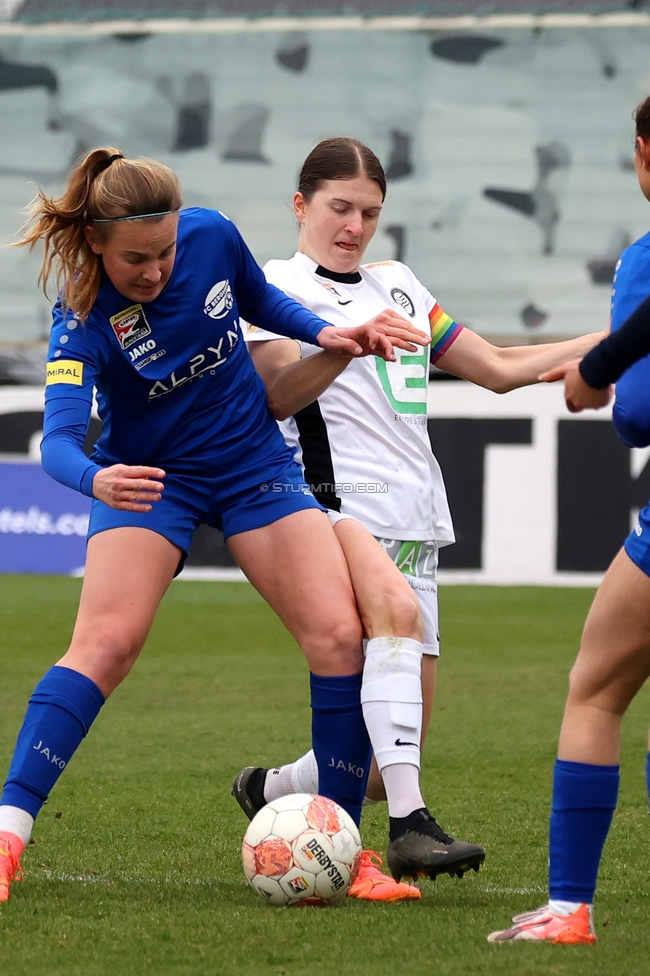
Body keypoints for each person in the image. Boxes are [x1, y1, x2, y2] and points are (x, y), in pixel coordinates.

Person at [0, 147, 430, 903]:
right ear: (97, 242)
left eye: (166, 252)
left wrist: (324, 332)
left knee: (337, 636)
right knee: (105, 644)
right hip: (149, 482)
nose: (158, 270)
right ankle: (8, 834)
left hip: (251, 465)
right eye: (137, 258)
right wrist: (96, 476)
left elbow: (261, 300)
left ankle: (348, 851)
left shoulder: (212, 233)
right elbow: (58, 443)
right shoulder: (82, 318)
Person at [230, 137, 606, 902]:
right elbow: (275, 395)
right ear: (301, 205)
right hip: (333, 510)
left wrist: (617, 345)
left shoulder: (398, 286)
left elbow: (497, 369)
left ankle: (271, 787)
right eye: (339, 207)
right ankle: (411, 828)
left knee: (378, 760)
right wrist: (345, 347)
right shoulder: (274, 287)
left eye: (369, 212)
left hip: (416, 523)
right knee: (392, 682)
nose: (355, 225)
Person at [488, 95, 650, 945]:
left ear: (642, 157)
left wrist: (601, 372)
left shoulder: (644, 259)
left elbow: (639, 413)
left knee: (597, 691)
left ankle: (570, 908)